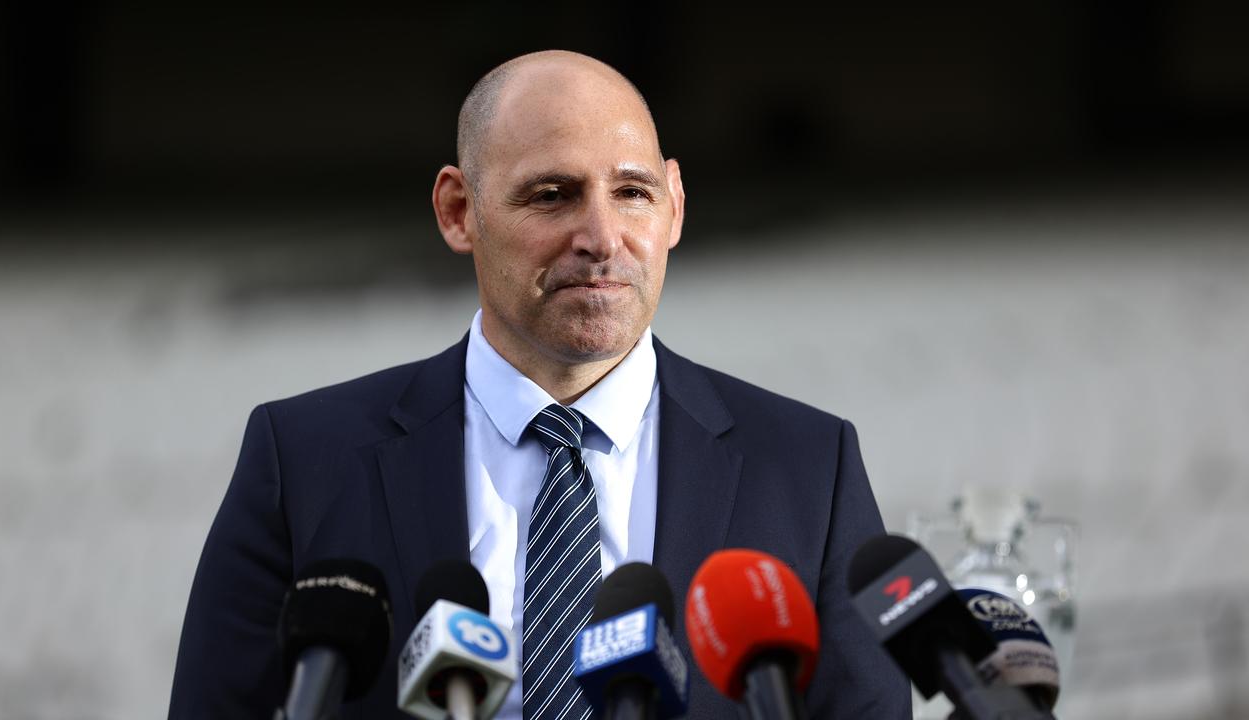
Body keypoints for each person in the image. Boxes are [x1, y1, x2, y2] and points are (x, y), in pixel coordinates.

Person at [169, 50, 910, 719]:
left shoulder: (809, 468)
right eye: (552, 195)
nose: (600, 237)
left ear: (676, 205)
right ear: (460, 212)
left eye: (633, 193)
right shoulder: (302, 462)